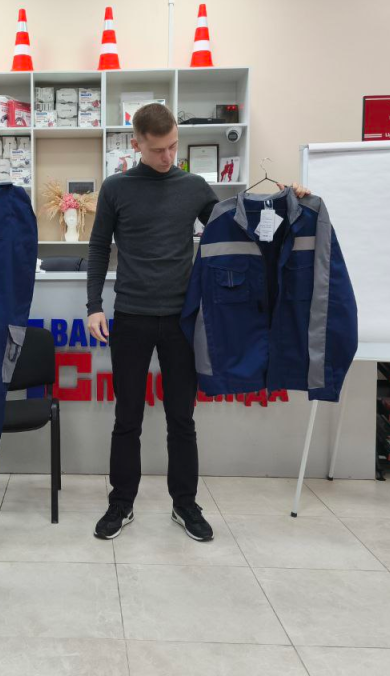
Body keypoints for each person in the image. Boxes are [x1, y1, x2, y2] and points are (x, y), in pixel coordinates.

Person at [87, 103, 309, 542]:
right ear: (136, 144)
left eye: (173, 146)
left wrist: (286, 204)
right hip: (130, 316)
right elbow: (98, 247)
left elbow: (239, 228)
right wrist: (94, 305)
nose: (168, 156)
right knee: (127, 417)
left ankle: (184, 504)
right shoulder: (116, 188)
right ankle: (121, 503)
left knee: (181, 419)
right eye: (158, 150)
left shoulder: (193, 186)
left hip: (182, 320)